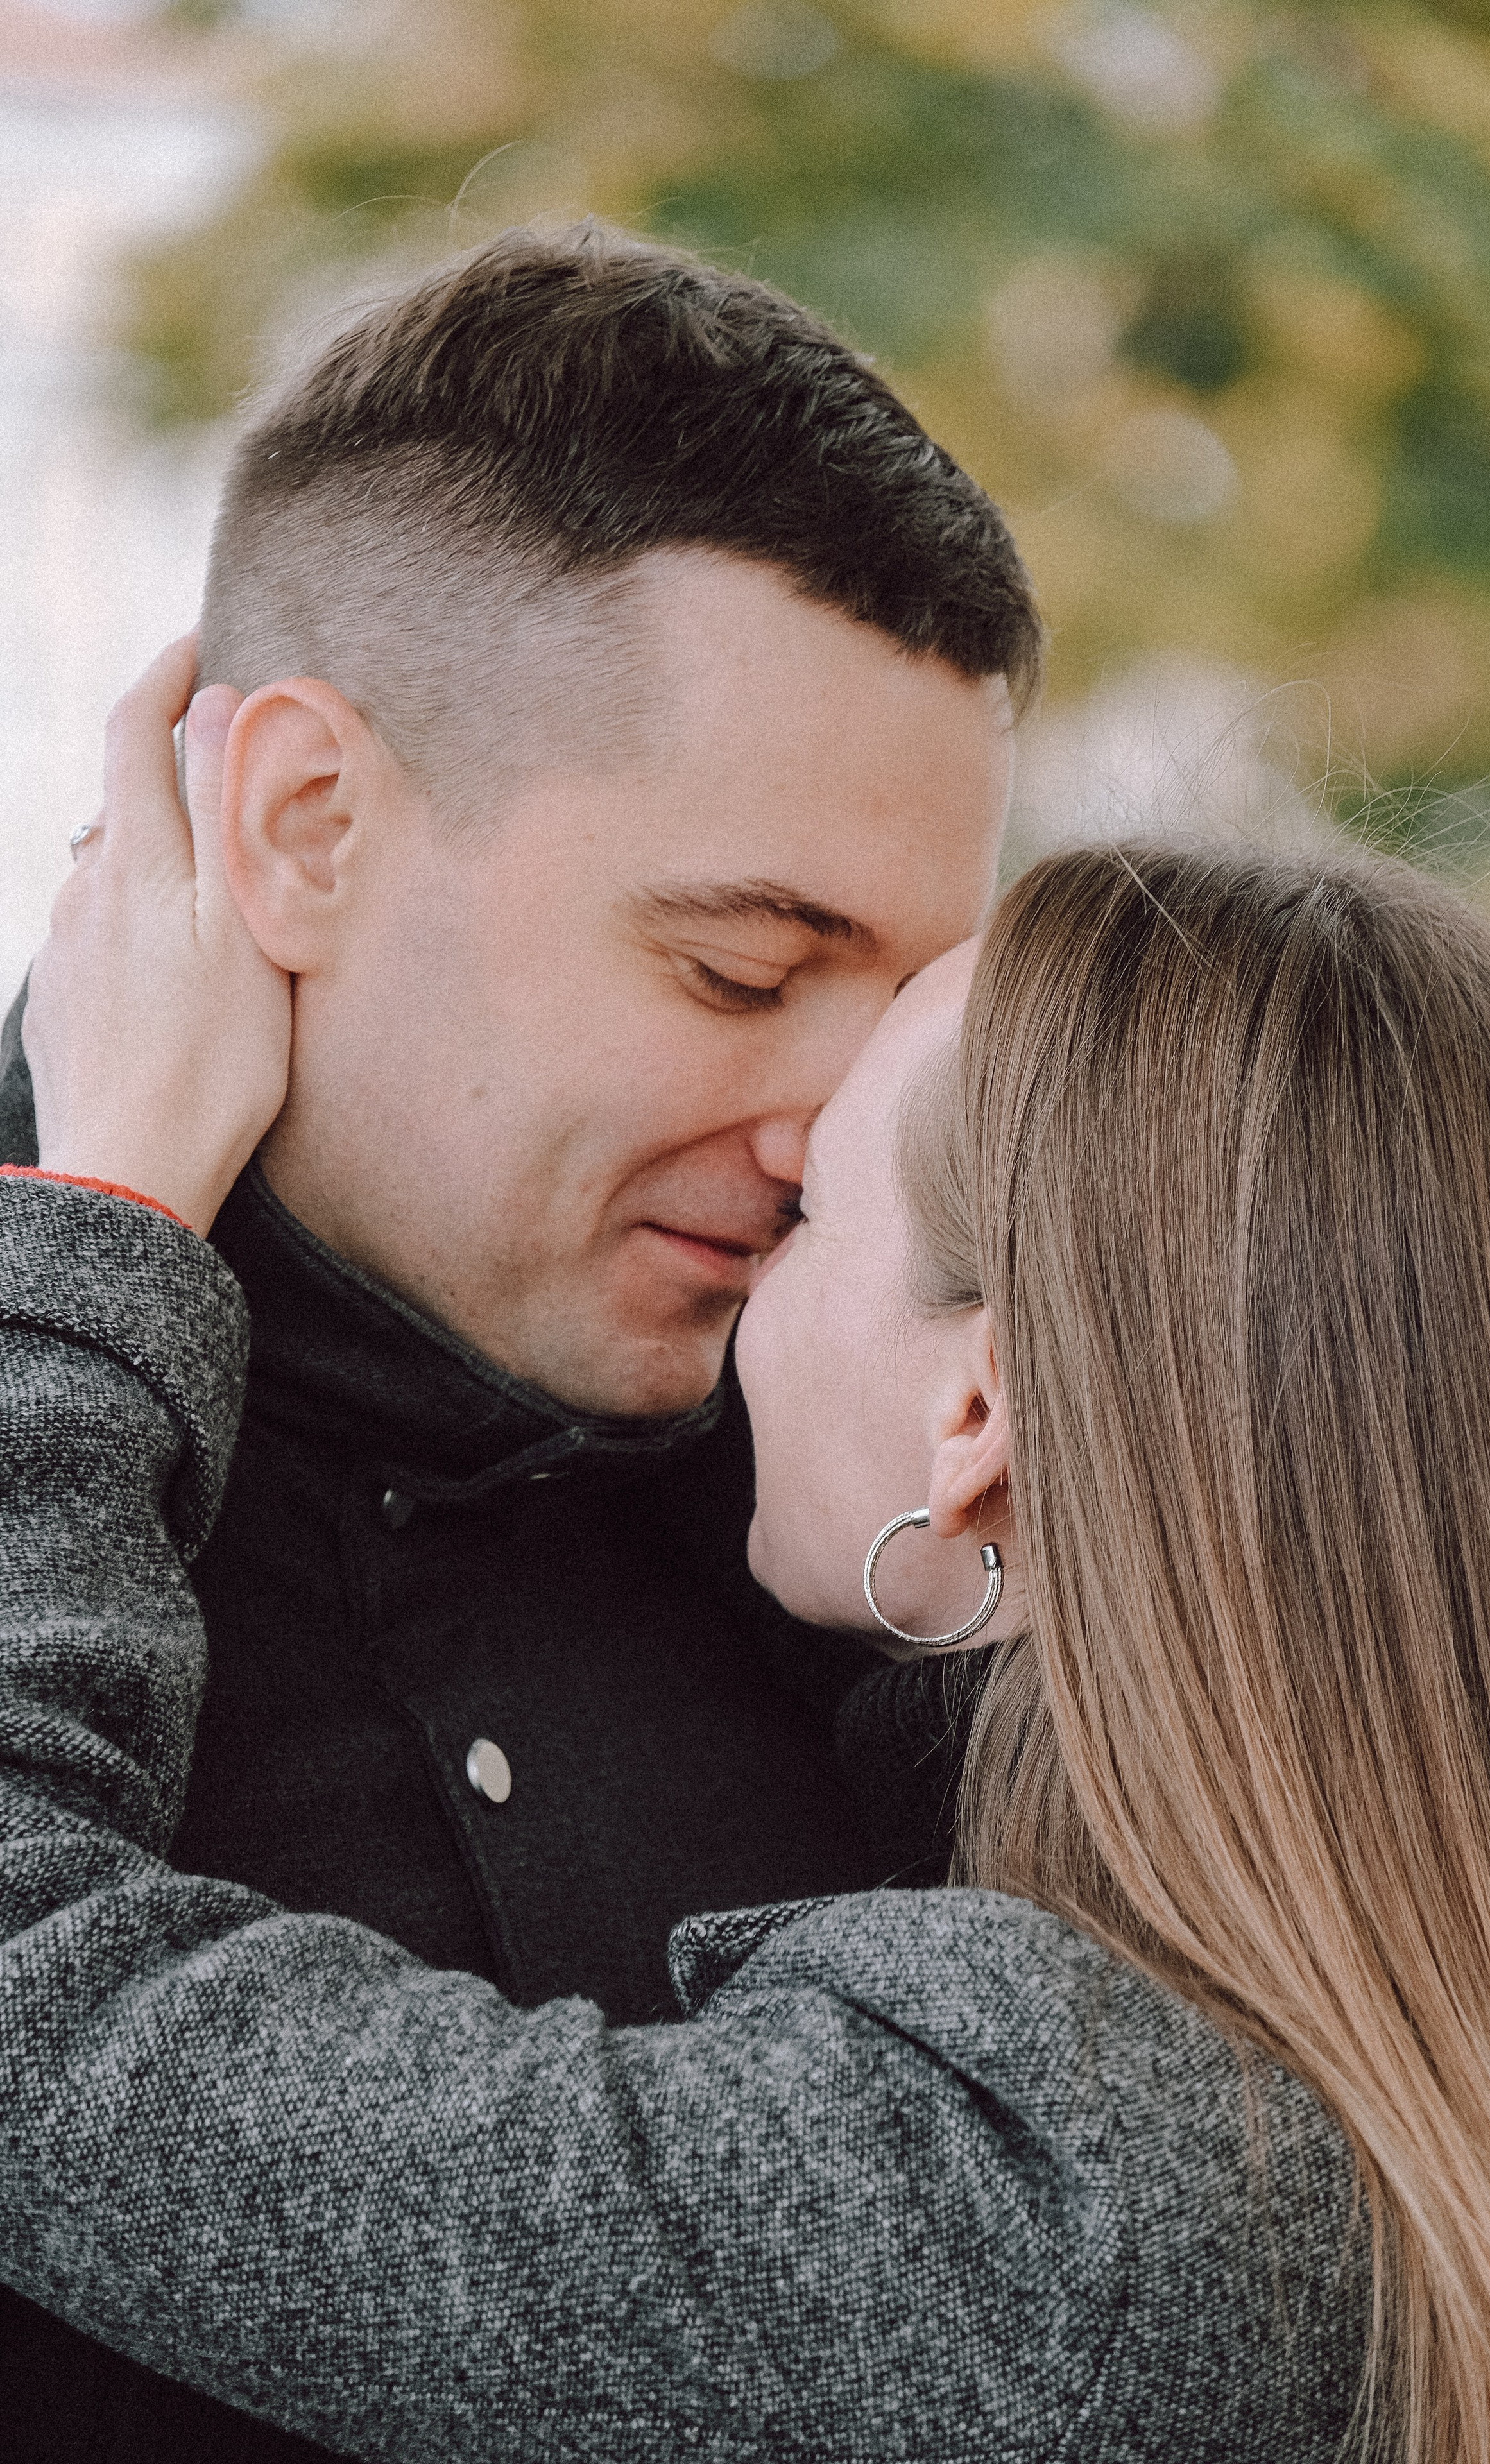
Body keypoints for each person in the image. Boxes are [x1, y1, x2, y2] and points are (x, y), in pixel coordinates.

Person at [8, 786, 1490, 2463]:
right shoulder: (1483, 2076)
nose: (735, 1264)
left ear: (978, 1414)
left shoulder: (1055, 2208)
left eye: (801, 1224)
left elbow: (34, 2001)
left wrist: (112, 1201)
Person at [0, 223, 1039, 2456]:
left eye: (911, 1025)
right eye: (746, 973)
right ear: (303, 826)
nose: (828, 1133)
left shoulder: (928, 1504)